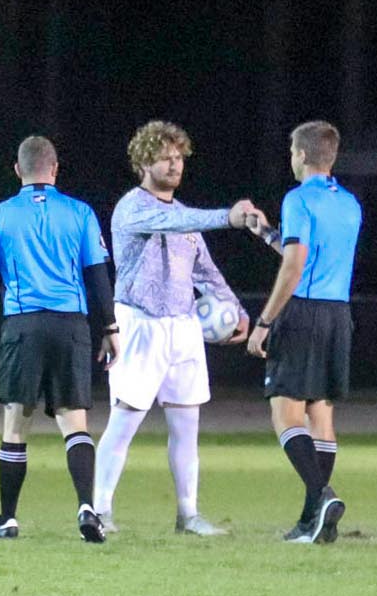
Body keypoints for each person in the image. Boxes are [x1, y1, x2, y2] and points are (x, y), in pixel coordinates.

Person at [89, 121, 270, 536]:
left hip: (184, 327)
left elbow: (205, 270)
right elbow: (174, 222)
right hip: (140, 323)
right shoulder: (133, 208)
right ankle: (99, 510)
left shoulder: (182, 216)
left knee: (186, 427)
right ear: (142, 162)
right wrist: (230, 217)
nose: (173, 165)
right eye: (164, 157)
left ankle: (188, 515)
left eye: (178, 158)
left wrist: (236, 310)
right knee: (125, 421)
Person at [0, 135, 117, 542]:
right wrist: (110, 327)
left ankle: (8, 519)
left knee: (16, 423)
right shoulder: (80, 213)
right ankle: (88, 508)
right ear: (55, 168)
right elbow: (97, 275)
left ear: (18, 170)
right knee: (75, 423)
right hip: (71, 325)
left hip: (23, 325)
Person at [247, 120, 362, 543]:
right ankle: (312, 522)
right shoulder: (349, 203)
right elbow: (304, 252)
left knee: (285, 411)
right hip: (338, 313)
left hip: (304, 313)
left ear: (301, 155)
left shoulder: (298, 199)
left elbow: (295, 265)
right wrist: (265, 233)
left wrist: (264, 321)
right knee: (321, 413)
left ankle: (321, 495)